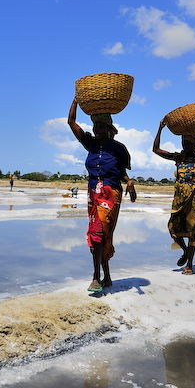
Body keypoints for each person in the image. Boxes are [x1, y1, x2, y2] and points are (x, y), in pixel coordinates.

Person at [67, 98, 136, 292]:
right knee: (96, 233)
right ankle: (98, 277)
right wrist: (76, 101)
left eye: (101, 126)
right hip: (93, 193)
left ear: (109, 128)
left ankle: (103, 276)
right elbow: (71, 123)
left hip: (110, 193)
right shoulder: (90, 144)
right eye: (95, 126)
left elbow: (122, 172)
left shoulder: (119, 148)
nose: (97, 130)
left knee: (105, 233)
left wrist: (129, 182)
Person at [153, 118, 195, 275]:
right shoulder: (178, 158)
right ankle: (184, 251)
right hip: (179, 198)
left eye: (189, 144)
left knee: (192, 233)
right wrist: (160, 128)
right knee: (173, 228)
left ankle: (189, 265)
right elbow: (156, 149)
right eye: (184, 144)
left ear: (194, 145)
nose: (186, 146)